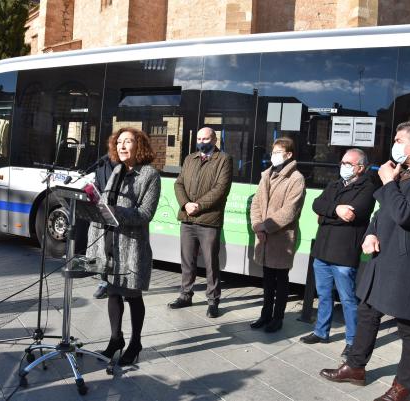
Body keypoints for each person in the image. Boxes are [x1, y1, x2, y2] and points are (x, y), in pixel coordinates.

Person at [319, 120, 410, 401]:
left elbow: (406, 214)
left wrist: (388, 182)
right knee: (368, 310)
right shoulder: (406, 169)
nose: (394, 145)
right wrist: (370, 233)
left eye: (398, 140)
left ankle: (403, 387)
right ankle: (355, 367)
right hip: (384, 253)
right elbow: (384, 213)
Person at [86, 127, 160, 366]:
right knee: (113, 291)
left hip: (132, 246)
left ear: (140, 145)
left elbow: (145, 214)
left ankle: (135, 342)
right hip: (110, 243)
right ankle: (115, 338)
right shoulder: (116, 170)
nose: (122, 146)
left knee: (132, 294)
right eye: (119, 142)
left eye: (128, 141)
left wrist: (115, 211)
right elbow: (107, 203)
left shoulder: (149, 175)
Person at [300, 148, 376, 358]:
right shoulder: (334, 184)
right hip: (322, 249)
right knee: (323, 294)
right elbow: (316, 204)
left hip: (344, 253)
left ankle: (352, 341)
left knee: (347, 299)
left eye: (348, 163)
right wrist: (335, 211)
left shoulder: (367, 188)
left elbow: (353, 214)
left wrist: (326, 214)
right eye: (343, 162)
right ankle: (321, 332)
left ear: (360, 167)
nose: (343, 166)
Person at [168, 127, 233, 318]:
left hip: (209, 220)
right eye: (198, 138)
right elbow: (178, 183)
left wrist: (198, 205)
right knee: (187, 261)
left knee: (211, 263)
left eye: (205, 138)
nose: (201, 141)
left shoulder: (223, 160)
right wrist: (186, 204)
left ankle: (213, 301)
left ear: (214, 140)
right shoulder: (190, 158)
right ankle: (185, 295)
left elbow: (221, 188)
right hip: (187, 219)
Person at [249, 137, 306, 332]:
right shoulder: (266, 174)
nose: (273, 156)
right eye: (272, 152)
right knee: (267, 280)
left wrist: (264, 227)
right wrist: (257, 225)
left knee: (280, 280)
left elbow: (289, 211)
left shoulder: (296, 178)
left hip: (281, 239)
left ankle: (277, 318)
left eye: (277, 152)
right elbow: (256, 203)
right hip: (264, 236)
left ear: (289, 155)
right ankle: (265, 315)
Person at [92, 154, 117, 299]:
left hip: (122, 215)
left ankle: (124, 285)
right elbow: (97, 184)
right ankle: (104, 283)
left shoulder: (127, 165)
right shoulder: (102, 165)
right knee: (105, 251)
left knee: (120, 253)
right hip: (105, 215)